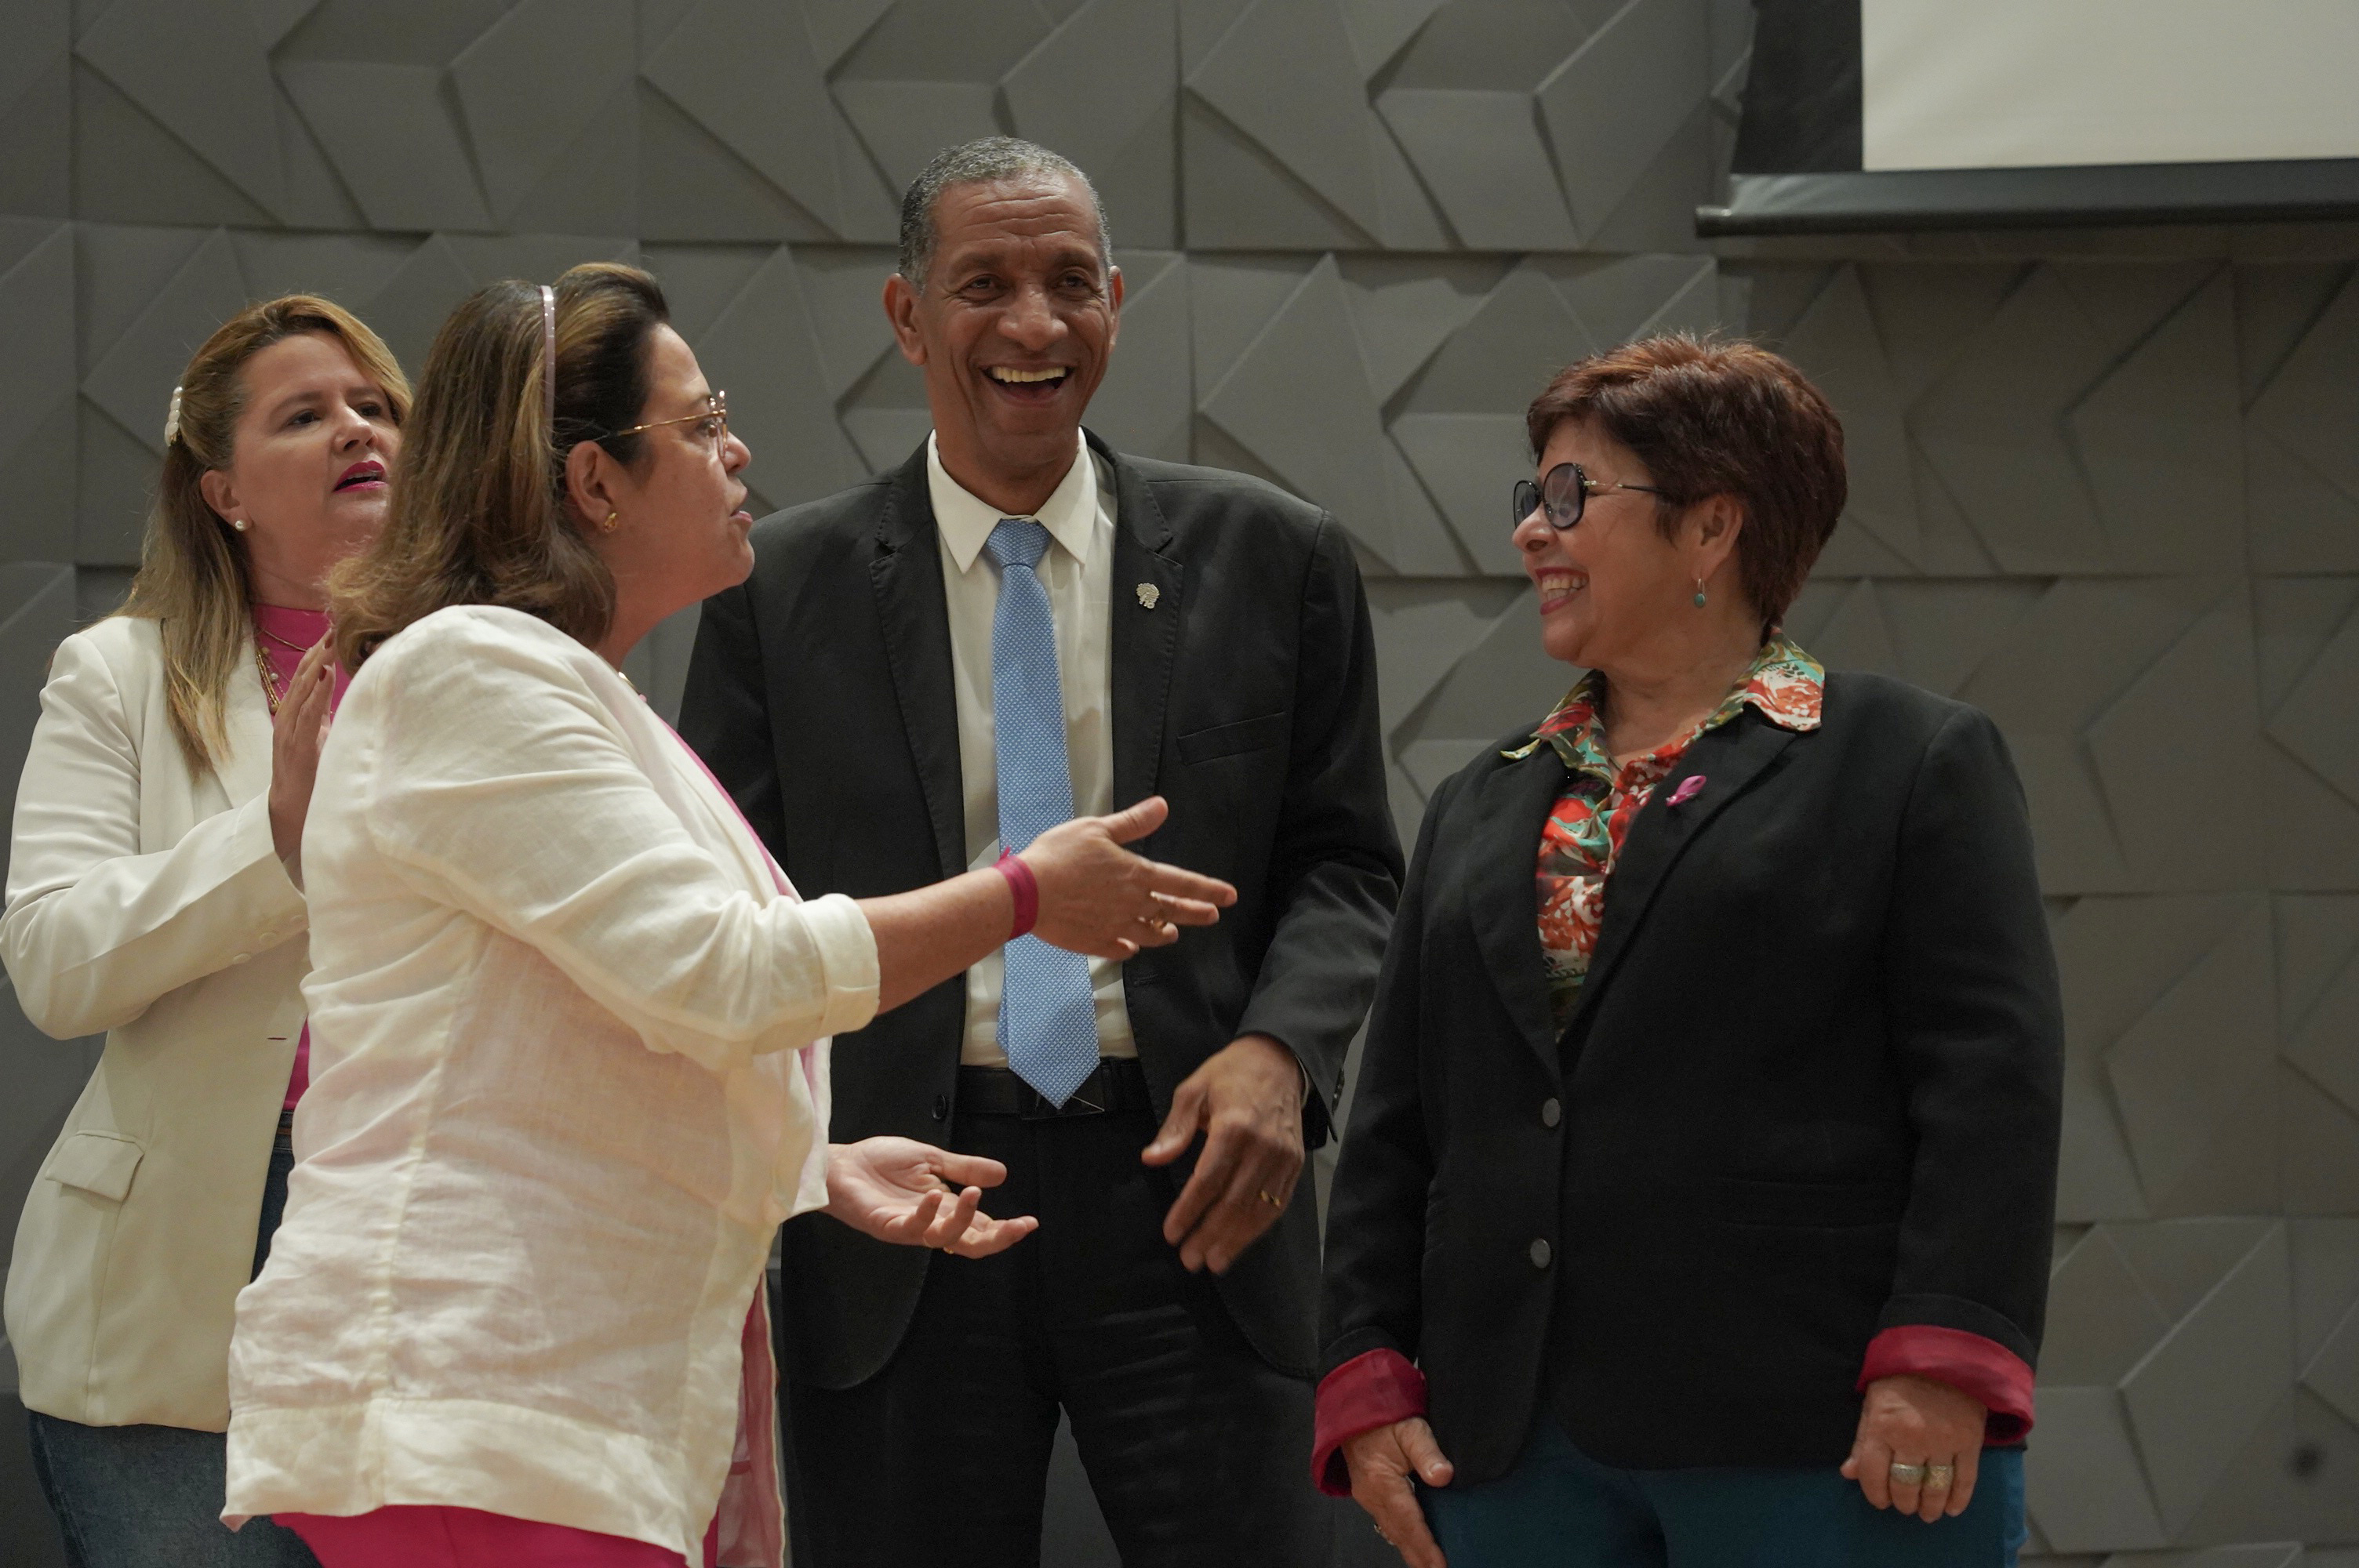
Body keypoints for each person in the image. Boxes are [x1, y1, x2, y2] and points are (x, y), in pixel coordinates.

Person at [220, 262, 1236, 1568]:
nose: (738, 449)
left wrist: (814, 1167)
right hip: (468, 1398)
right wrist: (1024, 895)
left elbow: (589, 1038)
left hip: (541, 1415)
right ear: (595, 482)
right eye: (700, 425)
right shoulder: (475, 671)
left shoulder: (573, 693)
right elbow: (730, 974)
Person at [678, 137, 1400, 1566]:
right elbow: (732, 909)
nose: (1034, 323)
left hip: (1194, 1188)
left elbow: (1348, 865)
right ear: (907, 317)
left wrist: (1281, 1056)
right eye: (984, 285)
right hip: (906, 1200)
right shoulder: (779, 590)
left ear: (1116, 305)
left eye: (1071, 282)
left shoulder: (1278, 557)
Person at [1316, 336, 2064, 1568]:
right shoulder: (1478, 800)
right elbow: (1399, 1119)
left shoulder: (1909, 760)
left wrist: (1946, 1352)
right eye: (1532, 496)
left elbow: (1992, 1085)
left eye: (1571, 496)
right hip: (1505, 1436)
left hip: (1813, 1427)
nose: (1532, 532)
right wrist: (1366, 1367)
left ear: (1713, 526)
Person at [4, 294, 410, 1568]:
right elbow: (54, 962)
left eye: (376, 406)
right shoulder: (117, 674)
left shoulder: (493, 668)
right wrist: (273, 841)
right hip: (179, 1285)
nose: (356, 429)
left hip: (419, 1241)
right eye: (305, 415)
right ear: (223, 491)